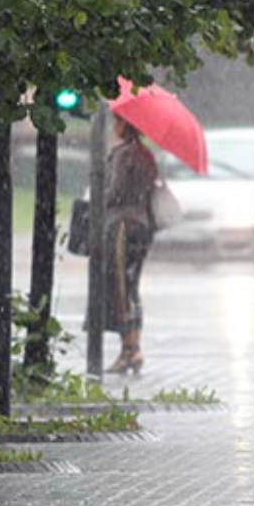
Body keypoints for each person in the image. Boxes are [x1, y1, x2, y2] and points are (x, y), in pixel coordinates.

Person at [104, 114, 159, 374]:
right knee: (133, 286)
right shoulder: (148, 156)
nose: (114, 127)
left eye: (117, 122)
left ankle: (129, 350)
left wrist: (98, 195)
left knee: (120, 288)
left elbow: (114, 192)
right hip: (144, 226)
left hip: (123, 226)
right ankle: (135, 344)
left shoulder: (122, 155)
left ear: (125, 125)